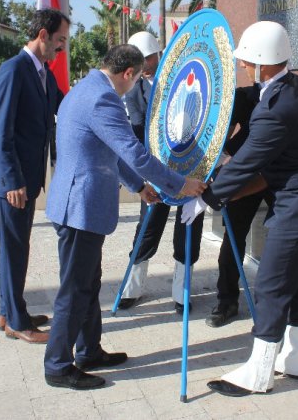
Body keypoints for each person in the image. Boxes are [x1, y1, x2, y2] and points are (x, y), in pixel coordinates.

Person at [181, 21, 298, 397]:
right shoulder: (297, 88)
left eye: (248, 61)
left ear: (264, 64)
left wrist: (206, 199)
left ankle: (259, 372)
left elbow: (247, 163)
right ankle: (296, 358)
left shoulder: (275, 108)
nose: (244, 67)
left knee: (270, 283)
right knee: (294, 279)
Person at [43, 44, 206, 391]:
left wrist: (138, 187)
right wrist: (179, 184)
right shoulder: (104, 100)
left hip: (77, 204)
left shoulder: (85, 88)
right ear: (129, 73)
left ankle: (88, 351)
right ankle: (58, 365)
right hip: (79, 208)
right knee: (75, 288)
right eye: (137, 78)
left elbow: (108, 152)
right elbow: (133, 152)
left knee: (88, 283)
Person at [0, 8, 69, 344]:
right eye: (60, 40)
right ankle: (18, 323)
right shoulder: (14, 70)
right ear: (44, 35)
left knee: (15, 249)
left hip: (26, 181)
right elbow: (0, 131)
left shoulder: (42, 72)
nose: (62, 48)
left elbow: (65, 106)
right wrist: (13, 180)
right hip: (12, 184)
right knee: (14, 250)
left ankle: (9, 311)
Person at [118, 31, 206, 313]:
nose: (143, 64)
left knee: (188, 230)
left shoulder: (181, 79)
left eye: (146, 58)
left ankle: (181, 293)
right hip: (156, 171)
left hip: (190, 170)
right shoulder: (134, 91)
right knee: (147, 229)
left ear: (158, 55)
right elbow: (137, 131)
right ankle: (132, 287)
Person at [205, 84, 266, 328]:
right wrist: (224, 156)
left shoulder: (289, 96)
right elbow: (222, 134)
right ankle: (227, 301)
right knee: (232, 238)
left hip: (279, 174)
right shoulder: (244, 96)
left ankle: (285, 304)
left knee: (284, 243)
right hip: (245, 174)